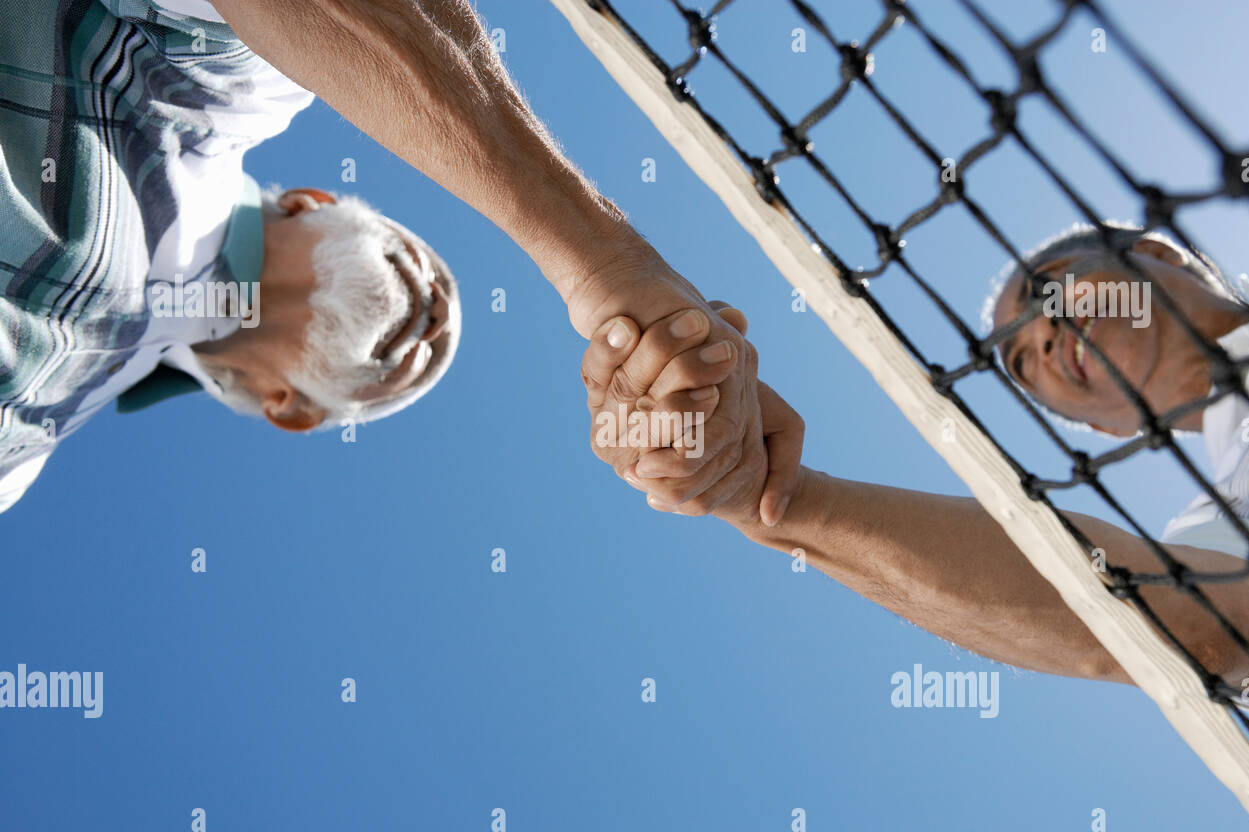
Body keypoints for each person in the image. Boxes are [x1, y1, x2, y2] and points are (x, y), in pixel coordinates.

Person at [0, 0, 801, 519]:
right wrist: (602, 266)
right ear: (312, 201)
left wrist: (752, 492)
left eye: (410, 376)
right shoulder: (223, 87)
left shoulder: (22, 454)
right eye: (426, 265)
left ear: (293, 407)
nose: (435, 323)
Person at [581, 226, 1249, 723]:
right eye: (1022, 364)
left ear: (1151, 252)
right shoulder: (1238, 526)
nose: (1041, 338)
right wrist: (769, 496)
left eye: (1048, 294)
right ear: (1108, 429)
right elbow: (1196, 625)